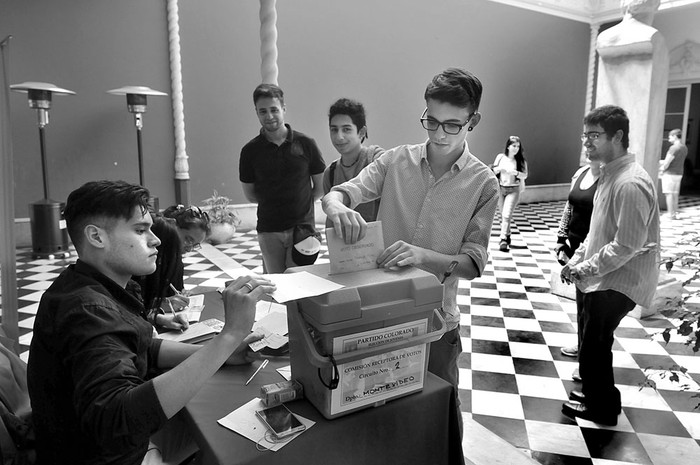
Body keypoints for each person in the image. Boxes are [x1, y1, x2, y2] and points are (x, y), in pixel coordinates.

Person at [27, 180, 275, 464]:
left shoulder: (99, 285)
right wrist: (229, 336)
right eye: (140, 230)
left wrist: (223, 354)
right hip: (104, 455)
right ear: (97, 237)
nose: (156, 239)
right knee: (241, 443)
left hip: (104, 443)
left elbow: (143, 345)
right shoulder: (87, 310)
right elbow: (120, 419)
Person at [322, 68, 499, 433]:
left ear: (473, 121)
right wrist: (336, 204)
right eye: (431, 121)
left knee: (439, 415)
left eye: (452, 125)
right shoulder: (395, 161)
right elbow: (343, 193)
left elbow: (471, 263)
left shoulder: (483, 183)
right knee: (381, 413)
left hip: (436, 320)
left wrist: (422, 257)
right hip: (381, 315)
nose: (437, 134)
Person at [561, 105, 660, 426]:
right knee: (593, 343)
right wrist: (576, 260)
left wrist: (584, 269)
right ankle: (596, 394)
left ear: (617, 137)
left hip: (619, 280)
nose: (586, 142)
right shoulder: (610, 174)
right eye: (584, 135)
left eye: (594, 136)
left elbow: (627, 244)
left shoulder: (629, 183)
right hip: (604, 275)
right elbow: (597, 233)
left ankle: (602, 409)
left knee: (594, 344)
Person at [239, 83, 326, 273]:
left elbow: (320, 186)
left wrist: (300, 205)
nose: (269, 116)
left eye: (274, 110)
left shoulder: (306, 144)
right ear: (256, 112)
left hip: (302, 230)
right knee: (276, 286)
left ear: (283, 109)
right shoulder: (250, 151)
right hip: (269, 230)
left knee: (300, 285)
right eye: (263, 111)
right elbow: (251, 195)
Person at [555, 158, 601, 363]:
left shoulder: (610, 177)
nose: (588, 144)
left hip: (595, 246)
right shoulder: (581, 173)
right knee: (581, 300)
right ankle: (582, 344)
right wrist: (560, 238)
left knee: (594, 303)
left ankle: (590, 356)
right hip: (575, 244)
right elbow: (569, 207)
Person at [138, 205, 210, 331]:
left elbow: (175, 290)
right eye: (188, 240)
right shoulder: (143, 260)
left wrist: (181, 295)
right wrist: (159, 305)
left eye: (195, 245)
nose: (189, 248)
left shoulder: (175, 260)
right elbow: (130, 306)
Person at [322, 98, 384, 229]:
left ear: (361, 132)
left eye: (346, 129)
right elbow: (331, 219)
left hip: (379, 244)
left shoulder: (377, 160)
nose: (339, 137)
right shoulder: (331, 172)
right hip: (345, 245)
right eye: (334, 130)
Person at [491, 136, 528, 252]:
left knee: (506, 214)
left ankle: (503, 239)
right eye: (514, 146)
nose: (516, 148)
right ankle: (508, 234)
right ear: (508, 146)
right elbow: (493, 170)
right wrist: (500, 169)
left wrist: (516, 172)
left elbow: (525, 175)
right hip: (501, 188)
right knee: (503, 215)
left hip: (514, 189)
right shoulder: (500, 157)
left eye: (518, 146)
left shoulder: (521, 161)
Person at [659, 128, 688, 220]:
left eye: (670, 137)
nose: (668, 139)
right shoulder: (684, 148)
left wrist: (661, 168)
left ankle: (670, 214)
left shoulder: (673, 148)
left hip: (670, 173)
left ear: (675, 136)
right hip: (679, 173)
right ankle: (674, 213)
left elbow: (667, 162)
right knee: (675, 194)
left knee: (669, 194)